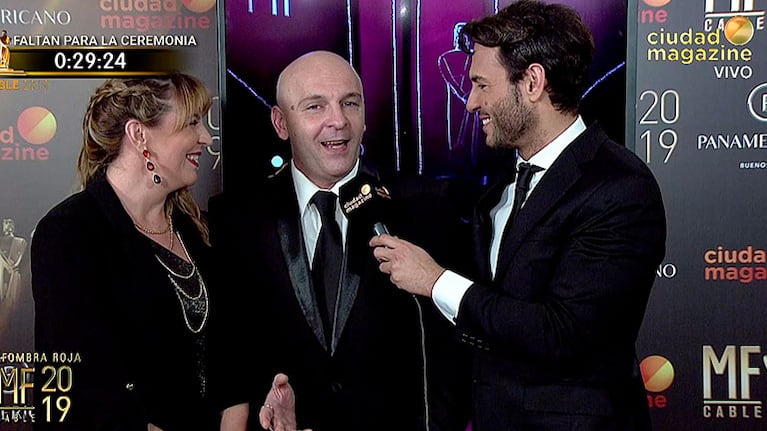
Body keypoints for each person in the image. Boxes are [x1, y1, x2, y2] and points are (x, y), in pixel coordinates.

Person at [370, 1, 667, 430]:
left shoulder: (619, 188)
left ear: (532, 82)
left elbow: (562, 333)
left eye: (481, 84)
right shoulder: (501, 189)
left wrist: (435, 281)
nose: (470, 103)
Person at [208, 50, 470, 431]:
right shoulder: (237, 217)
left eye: (350, 103)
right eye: (315, 107)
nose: (338, 121)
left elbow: (457, 348)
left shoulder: (423, 207)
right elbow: (229, 349)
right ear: (281, 123)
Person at [31, 73, 300, 431]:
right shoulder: (69, 233)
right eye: (192, 123)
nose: (206, 137)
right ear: (139, 134)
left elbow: (233, 361)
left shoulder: (199, 229)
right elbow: (85, 385)